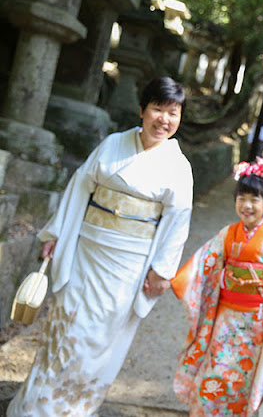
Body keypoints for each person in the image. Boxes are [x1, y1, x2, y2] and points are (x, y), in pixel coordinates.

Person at [8, 77, 193, 416]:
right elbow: (80, 187)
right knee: (65, 330)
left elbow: (178, 221)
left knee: (102, 342)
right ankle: (36, 407)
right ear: (142, 110)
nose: (164, 120)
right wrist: (57, 236)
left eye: (173, 113)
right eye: (157, 109)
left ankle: (76, 409)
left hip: (129, 267)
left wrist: (162, 271)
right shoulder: (112, 145)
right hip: (85, 253)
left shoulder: (179, 167)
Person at [172, 158, 263, 415]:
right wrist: (175, 279)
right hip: (225, 319)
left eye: (254, 199)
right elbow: (203, 263)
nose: (247, 205)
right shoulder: (228, 233)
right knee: (216, 368)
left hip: (258, 323)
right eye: (241, 198)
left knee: (245, 376)